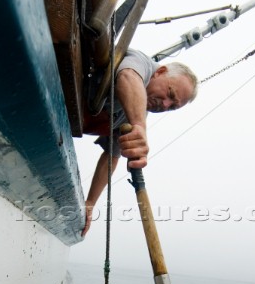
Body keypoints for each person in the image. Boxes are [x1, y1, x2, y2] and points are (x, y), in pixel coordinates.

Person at [81, 48, 198, 236]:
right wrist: (138, 126)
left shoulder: (135, 116)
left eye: (172, 107)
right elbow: (128, 76)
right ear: (160, 72)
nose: (165, 105)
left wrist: (90, 204)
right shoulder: (141, 63)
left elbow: (111, 156)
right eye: (170, 93)